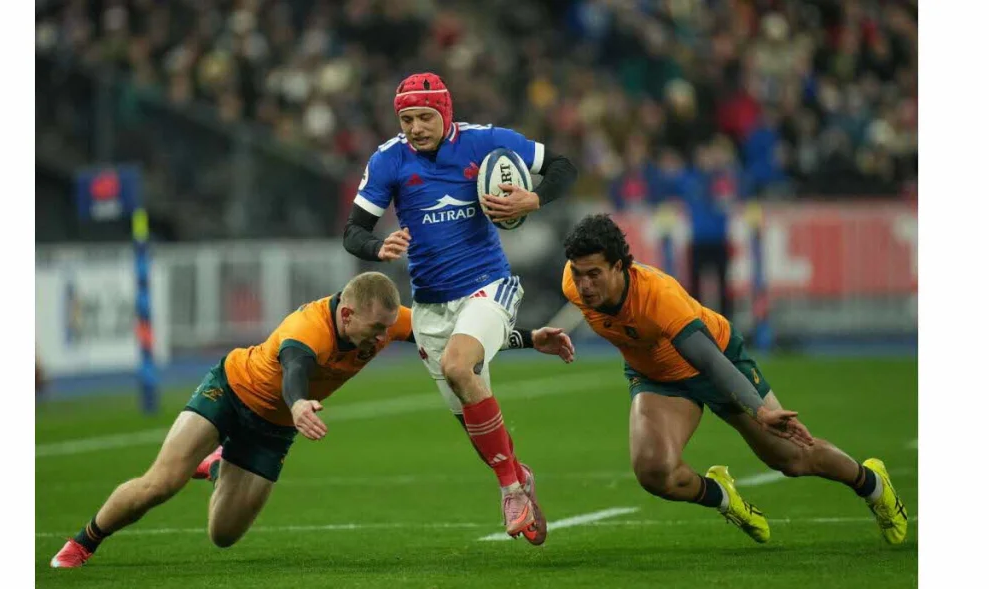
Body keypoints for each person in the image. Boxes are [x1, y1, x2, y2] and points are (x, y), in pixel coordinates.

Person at [50, 271, 574, 567]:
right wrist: (299, 403)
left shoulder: (384, 322)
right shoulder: (310, 328)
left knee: (223, 536)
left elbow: (443, 336)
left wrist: (530, 338)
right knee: (159, 483)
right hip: (231, 391)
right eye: (373, 329)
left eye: (385, 329)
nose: (380, 339)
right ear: (347, 314)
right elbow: (295, 367)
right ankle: (83, 541)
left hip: (273, 430)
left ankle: (219, 464)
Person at [560, 214, 907, 545]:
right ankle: (722, 496)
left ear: (620, 267)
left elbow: (710, 360)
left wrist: (760, 410)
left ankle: (872, 483)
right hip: (656, 378)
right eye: (578, 274)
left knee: (791, 458)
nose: (585, 285)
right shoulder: (571, 284)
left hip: (715, 361)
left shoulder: (658, 297)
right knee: (654, 472)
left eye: (594, 274)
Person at [342, 72, 577, 544]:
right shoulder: (388, 160)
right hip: (430, 306)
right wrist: (377, 246)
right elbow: (353, 231)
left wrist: (535, 196)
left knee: (457, 367)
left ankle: (509, 488)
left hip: (488, 286)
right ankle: (519, 475)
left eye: (425, 117)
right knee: (469, 410)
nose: (415, 127)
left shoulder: (485, 143)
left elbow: (563, 166)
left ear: (445, 114)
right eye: (406, 118)